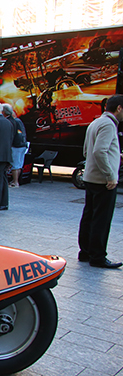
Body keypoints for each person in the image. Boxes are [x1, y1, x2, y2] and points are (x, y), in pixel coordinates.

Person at [77, 95, 123, 268]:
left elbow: (87, 150)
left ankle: (85, 252)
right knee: (101, 219)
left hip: (91, 177)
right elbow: (99, 151)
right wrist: (110, 174)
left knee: (89, 215)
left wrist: (115, 156)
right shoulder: (109, 125)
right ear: (119, 108)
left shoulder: (96, 122)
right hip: (103, 180)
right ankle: (98, 256)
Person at [3, 104, 27, 188]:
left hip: (16, 146)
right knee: (19, 164)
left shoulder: (14, 122)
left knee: (15, 164)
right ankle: (15, 180)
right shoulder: (19, 121)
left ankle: (15, 182)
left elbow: (13, 135)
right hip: (22, 145)